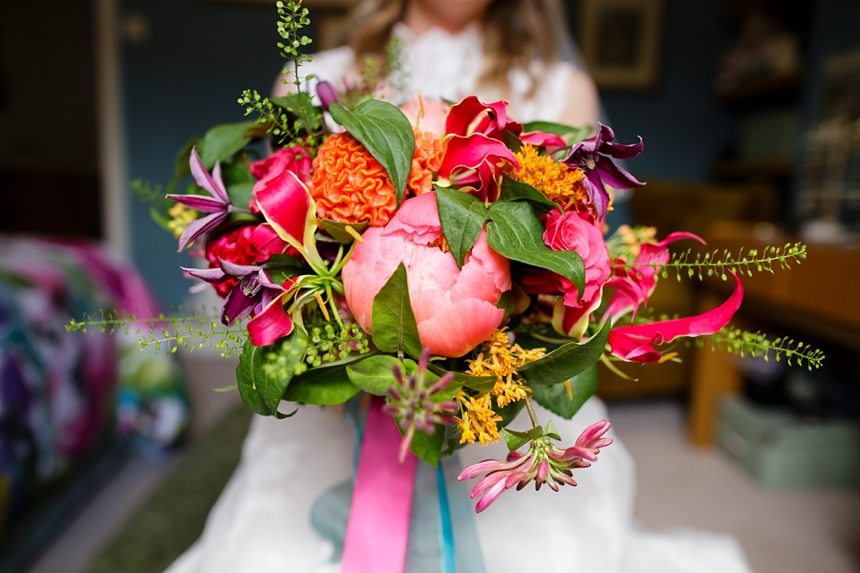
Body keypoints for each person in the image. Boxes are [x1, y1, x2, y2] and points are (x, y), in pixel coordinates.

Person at [167, 1, 750, 571]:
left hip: (502, 397)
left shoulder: (563, 89)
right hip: (341, 396)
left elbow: (574, 250)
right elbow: (273, 235)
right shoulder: (316, 74)